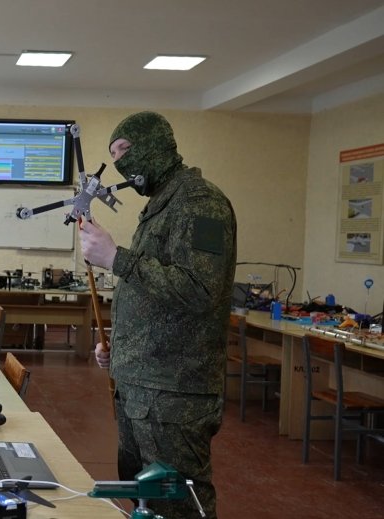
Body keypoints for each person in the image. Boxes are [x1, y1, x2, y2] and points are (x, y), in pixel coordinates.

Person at [79, 112, 236, 519]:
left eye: (125, 150)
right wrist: (121, 350)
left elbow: (200, 289)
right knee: (145, 498)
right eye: (113, 155)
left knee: (177, 501)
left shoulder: (200, 203)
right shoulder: (161, 206)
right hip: (143, 386)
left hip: (174, 394)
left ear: (155, 145)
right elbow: (155, 296)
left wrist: (115, 258)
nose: (119, 162)